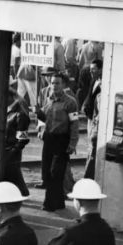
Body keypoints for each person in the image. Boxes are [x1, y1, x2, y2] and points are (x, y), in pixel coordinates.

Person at [37, 72, 79, 211]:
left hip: (62, 140)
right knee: (47, 172)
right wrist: (38, 115)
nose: (54, 86)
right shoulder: (48, 99)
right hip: (49, 139)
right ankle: (59, 202)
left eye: (57, 83)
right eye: (52, 83)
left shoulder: (70, 102)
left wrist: (72, 143)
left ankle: (49, 204)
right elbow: (45, 118)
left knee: (56, 173)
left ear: (64, 85)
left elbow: (74, 124)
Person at [3, 84, 32, 196]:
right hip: (7, 149)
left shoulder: (20, 113)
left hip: (12, 150)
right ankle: (22, 193)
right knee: (13, 174)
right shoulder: (7, 110)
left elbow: (23, 138)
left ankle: (22, 193)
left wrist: (13, 151)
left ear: (9, 97)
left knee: (13, 173)